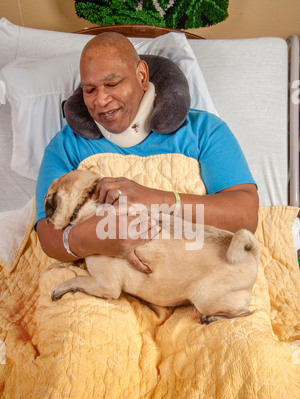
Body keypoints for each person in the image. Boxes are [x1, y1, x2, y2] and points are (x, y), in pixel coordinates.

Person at [35, 32, 258, 272]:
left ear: (141, 76)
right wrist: (94, 238)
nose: (100, 100)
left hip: (195, 272)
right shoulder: (66, 145)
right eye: (89, 90)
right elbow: (48, 236)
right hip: (102, 280)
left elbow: (245, 215)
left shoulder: (205, 131)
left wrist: (153, 200)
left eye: (112, 84)